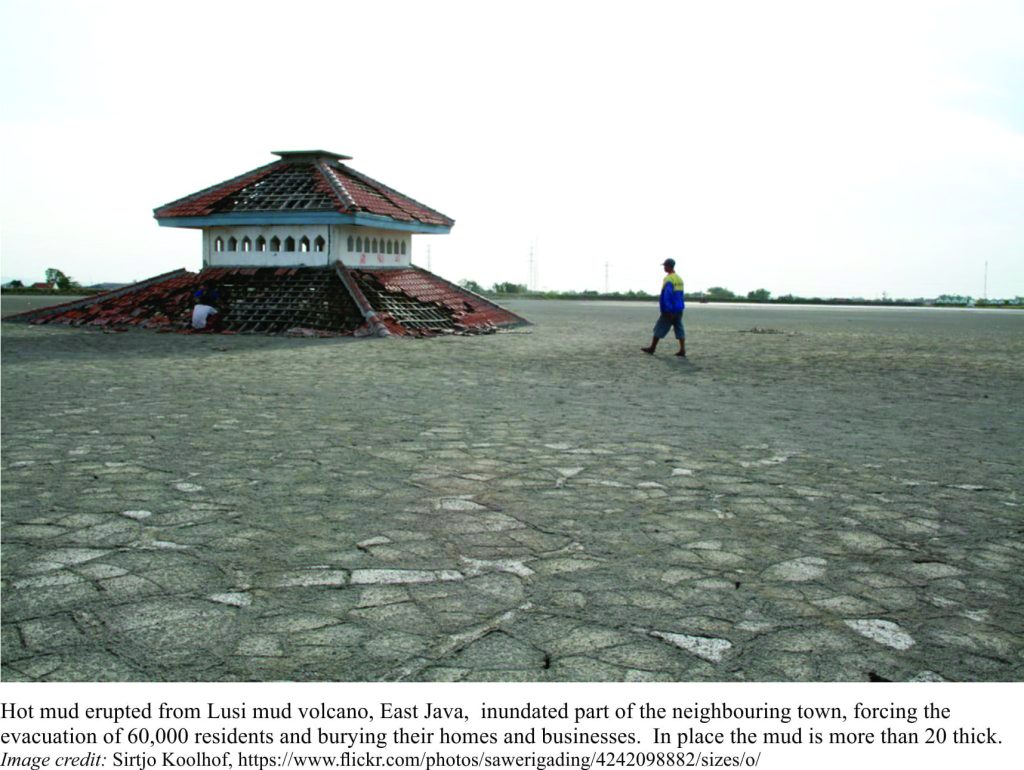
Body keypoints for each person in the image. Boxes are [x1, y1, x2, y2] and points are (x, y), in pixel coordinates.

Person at [641, 258, 686, 357]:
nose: (664, 268)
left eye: (665, 266)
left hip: (670, 309)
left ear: (669, 266)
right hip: (679, 308)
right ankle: (682, 349)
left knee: (659, 327)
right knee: (679, 328)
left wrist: (667, 309)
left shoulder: (668, 279)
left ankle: (652, 348)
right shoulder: (679, 279)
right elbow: (681, 295)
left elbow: (667, 295)